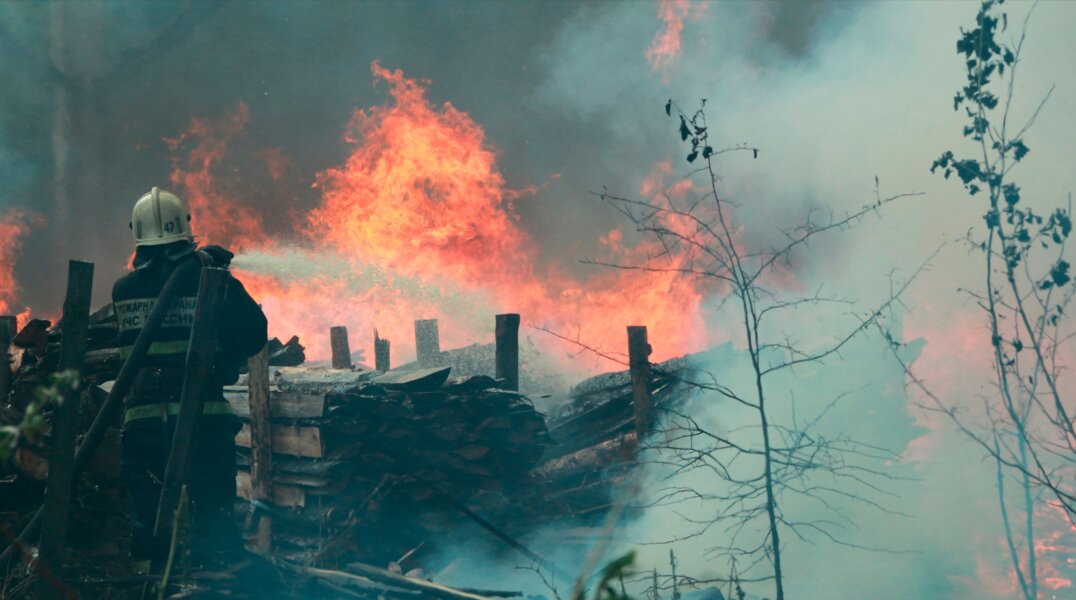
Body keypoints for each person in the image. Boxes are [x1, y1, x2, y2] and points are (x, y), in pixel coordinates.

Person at [114, 187, 267, 571]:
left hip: (144, 427)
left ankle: (158, 586)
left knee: (152, 530)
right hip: (204, 423)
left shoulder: (124, 290)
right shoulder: (209, 280)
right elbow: (254, 334)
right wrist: (222, 278)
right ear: (186, 231)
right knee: (213, 524)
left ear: (139, 235)